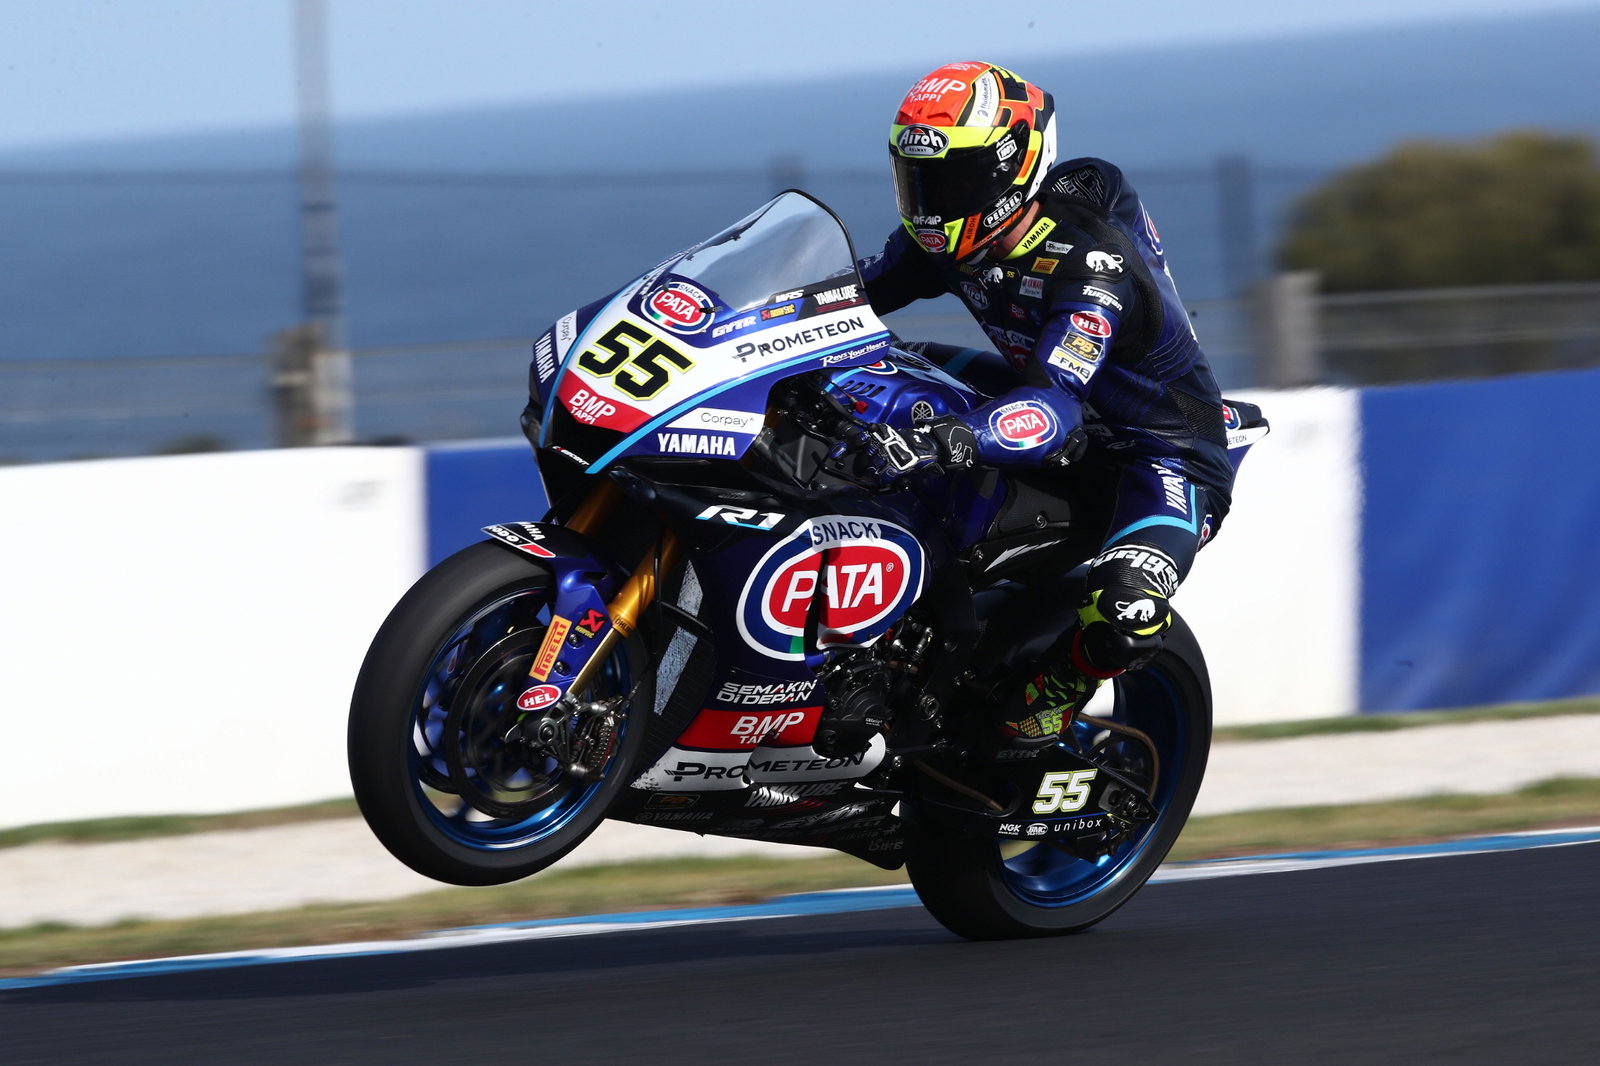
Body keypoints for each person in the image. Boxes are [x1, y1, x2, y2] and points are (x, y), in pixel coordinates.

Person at [851, 61, 1236, 746]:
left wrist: (952, 438)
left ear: (1010, 171)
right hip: (1048, 411)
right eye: (920, 180)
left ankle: (1050, 699)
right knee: (875, 370)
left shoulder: (1091, 267)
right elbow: (842, 299)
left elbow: (1054, 404)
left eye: (955, 179)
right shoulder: (945, 238)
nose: (932, 202)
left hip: (1160, 451)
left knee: (1126, 610)